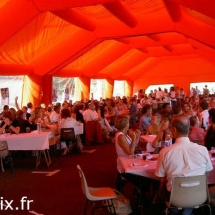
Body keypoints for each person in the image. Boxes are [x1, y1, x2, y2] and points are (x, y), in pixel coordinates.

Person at [155, 115, 213, 215]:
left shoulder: (165, 152)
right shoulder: (203, 150)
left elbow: (161, 178)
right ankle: (187, 211)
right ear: (188, 129)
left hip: (175, 198)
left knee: (159, 192)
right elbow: (207, 173)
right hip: (199, 196)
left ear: (173, 129)